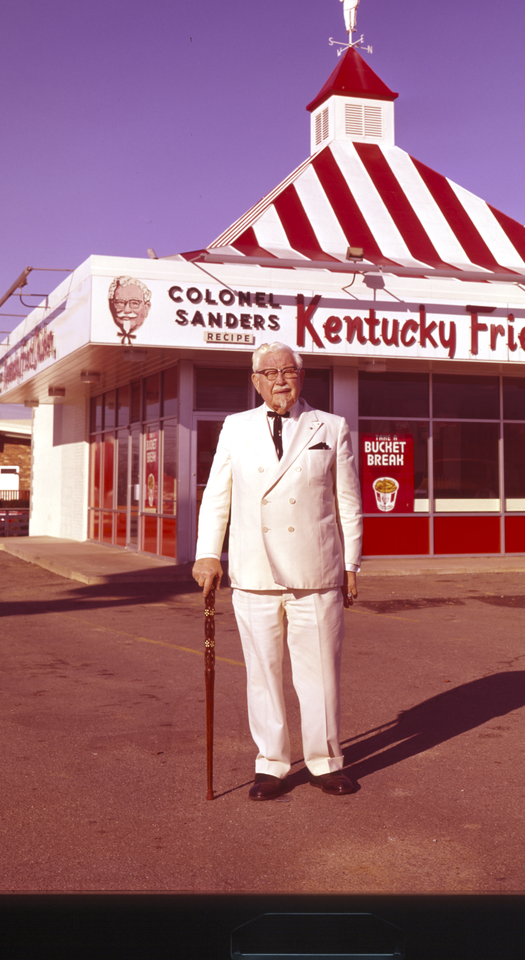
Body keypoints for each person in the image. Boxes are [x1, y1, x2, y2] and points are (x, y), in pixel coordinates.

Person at [192, 342, 363, 799]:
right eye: (269, 373)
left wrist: (351, 562)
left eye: (288, 370)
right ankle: (272, 764)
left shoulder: (332, 426)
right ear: (255, 382)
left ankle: (326, 761)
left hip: (316, 571)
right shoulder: (235, 428)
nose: (279, 379)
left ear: (301, 377)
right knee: (262, 671)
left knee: (320, 673)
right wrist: (208, 553)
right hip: (254, 572)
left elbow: (348, 501)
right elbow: (217, 496)